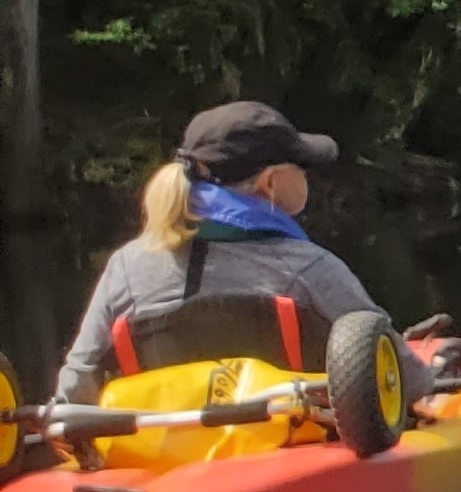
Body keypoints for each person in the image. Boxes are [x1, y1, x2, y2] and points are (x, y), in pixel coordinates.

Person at [53, 102, 418, 406]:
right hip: (290, 456)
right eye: (301, 167)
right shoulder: (309, 269)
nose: (309, 176)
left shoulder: (127, 267)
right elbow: (406, 379)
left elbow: (77, 386)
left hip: (162, 459)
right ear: (271, 183)